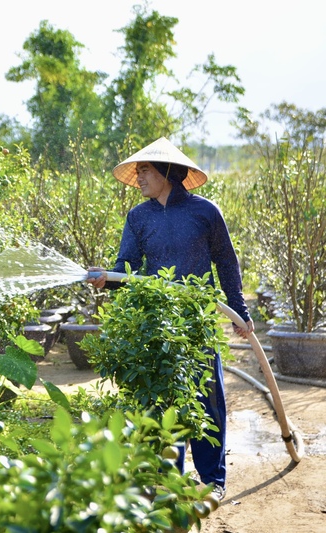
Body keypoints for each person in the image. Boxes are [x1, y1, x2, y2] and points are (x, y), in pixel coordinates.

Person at [86, 137, 254, 502]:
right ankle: (166, 481)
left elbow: (226, 263)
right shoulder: (138, 217)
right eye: (138, 171)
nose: (139, 177)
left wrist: (239, 310)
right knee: (161, 400)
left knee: (207, 398)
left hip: (196, 321)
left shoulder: (205, 212)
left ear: (166, 172)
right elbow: (126, 268)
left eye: (145, 170)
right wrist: (107, 279)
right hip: (157, 321)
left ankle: (212, 480)